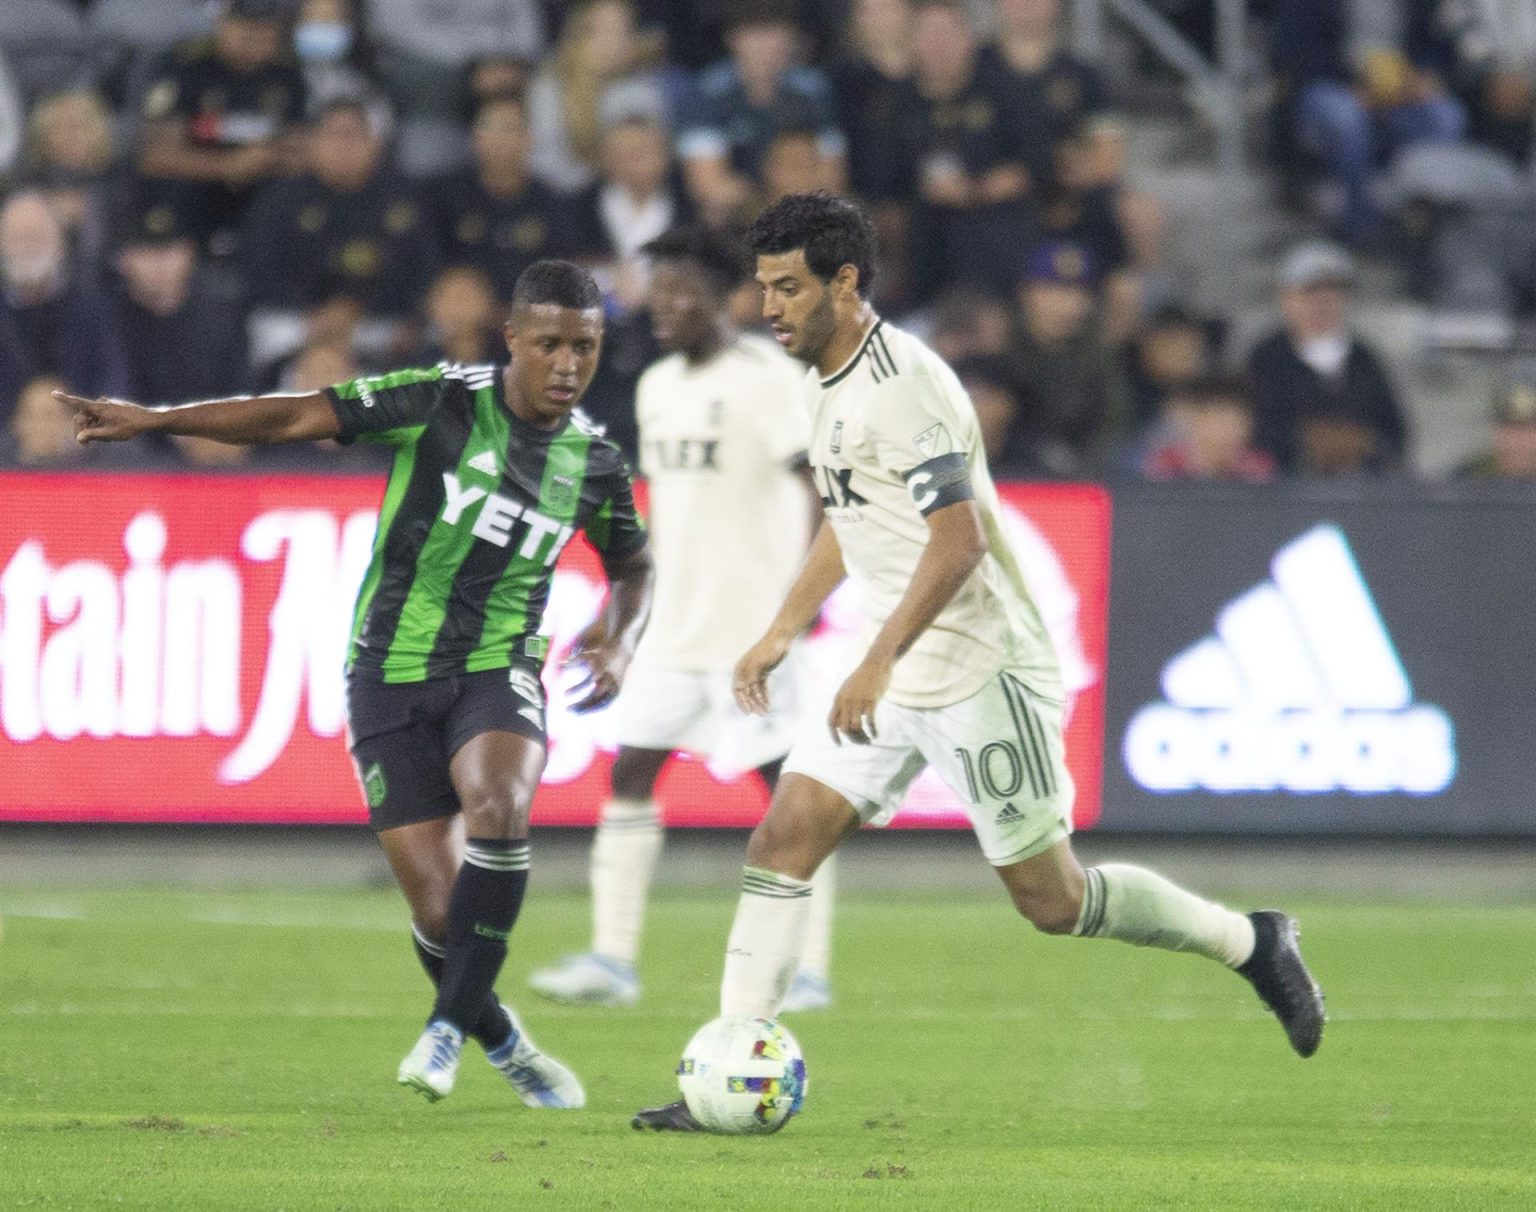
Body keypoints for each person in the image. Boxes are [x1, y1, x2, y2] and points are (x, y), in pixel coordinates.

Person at [631, 192, 1326, 1132]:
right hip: (901, 661)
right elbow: (851, 513)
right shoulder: (819, 377)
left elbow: (954, 541)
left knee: (1053, 898)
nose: (769, 308)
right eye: (763, 288)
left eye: (788, 288)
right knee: (783, 837)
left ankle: (1252, 942)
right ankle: (729, 1071)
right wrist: (784, 626)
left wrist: (873, 660)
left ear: (846, 281)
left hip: (980, 670)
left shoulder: (903, 382)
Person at [59, 259, 655, 1109]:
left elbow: (634, 565)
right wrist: (157, 419)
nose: (568, 364)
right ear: (513, 338)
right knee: (443, 918)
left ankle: (445, 1031)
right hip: (387, 672)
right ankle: (501, 1037)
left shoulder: (592, 462)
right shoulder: (442, 402)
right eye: (551, 344)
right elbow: (296, 414)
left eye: (586, 348)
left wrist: (619, 639)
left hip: (499, 665)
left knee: (500, 805)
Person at [527, 224, 834, 1012]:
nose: (663, 305)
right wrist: (621, 611)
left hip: (751, 633)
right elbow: (664, 513)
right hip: (674, 628)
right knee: (629, 773)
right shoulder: (656, 384)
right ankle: (612, 960)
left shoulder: (768, 379)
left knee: (790, 795)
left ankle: (805, 970)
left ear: (725, 297)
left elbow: (822, 491)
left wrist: (796, 610)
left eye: (681, 290)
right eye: (656, 289)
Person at [1246, 241, 1409, 476]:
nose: (1324, 302)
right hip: (1284, 489)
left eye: (1334, 292)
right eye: (1311, 291)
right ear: (1287, 298)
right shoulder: (1266, 358)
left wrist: (1361, 444)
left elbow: (1394, 432)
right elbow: (1254, 429)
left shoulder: (1365, 359)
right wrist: (1306, 441)